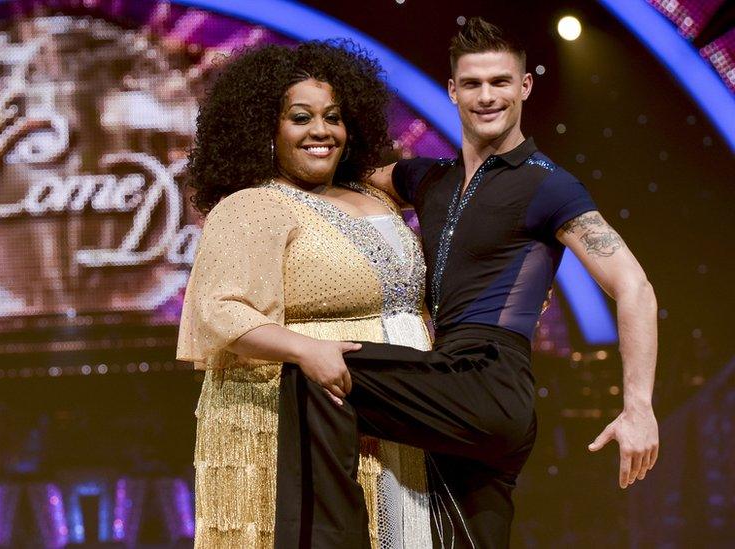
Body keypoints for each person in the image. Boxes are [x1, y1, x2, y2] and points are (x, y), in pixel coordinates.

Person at [282, 17, 660, 548]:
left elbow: (635, 287)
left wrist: (638, 407)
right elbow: (340, 174)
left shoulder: (548, 186)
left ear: (524, 87)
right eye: (474, 84)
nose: (488, 96)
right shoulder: (427, 178)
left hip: (490, 385)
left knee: (316, 371)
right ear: (453, 91)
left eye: (501, 82)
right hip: (452, 386)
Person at [177, 41, 435, 547]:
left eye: (333, 117)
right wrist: (305, 350)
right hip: (311, 420)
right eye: (300, 118)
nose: (321, 131)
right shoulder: (254, 205)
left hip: (405, 414)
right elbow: (219, 310)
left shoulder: (375, 194)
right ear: (264, 128)